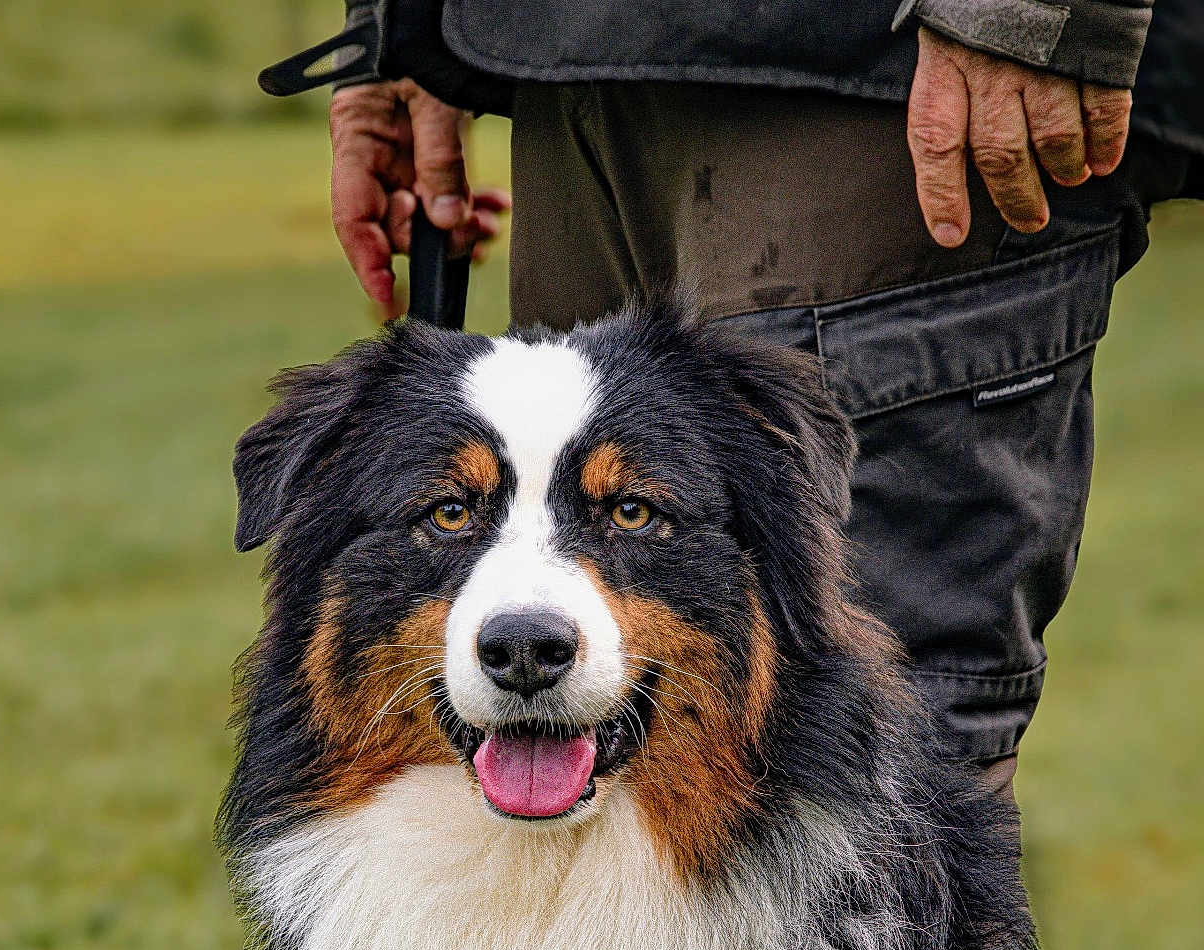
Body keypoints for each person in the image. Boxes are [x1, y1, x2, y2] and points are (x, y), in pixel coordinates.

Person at [301, 0, 1202, 805]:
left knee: (894, 783)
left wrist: (1023, 13)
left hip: (877, 68)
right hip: (553, 51)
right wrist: (402, 30)